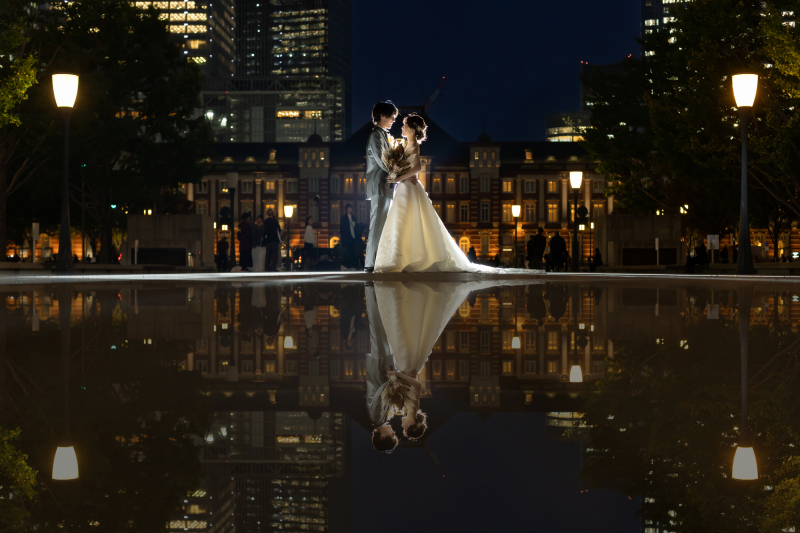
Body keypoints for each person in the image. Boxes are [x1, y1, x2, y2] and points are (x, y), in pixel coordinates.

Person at [373, 114, 524, 274]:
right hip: (404, 187)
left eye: (404, 125)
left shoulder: (414, 145)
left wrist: (397, 177)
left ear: (411, 128)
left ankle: (408, 259)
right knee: (403, 221)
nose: (402, 127)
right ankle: (400, 258)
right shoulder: (405, 144)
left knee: (409, 220)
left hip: (408, 186)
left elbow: (417, 167)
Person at [364, 101, 400, 274]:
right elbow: (383, 161)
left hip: (385, 186)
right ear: (383, 115)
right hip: (380, 185)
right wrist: (400, 175)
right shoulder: (376, 136)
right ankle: (370, 263)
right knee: (377, 224)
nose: (394, 119)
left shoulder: (382, 135)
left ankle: (376, 261)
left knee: (381, 225)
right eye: (392, 115)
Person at [340, 204, 358, 270]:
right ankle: (345, 265)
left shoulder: (354, 217)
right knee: (347, 252)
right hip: (346, 238)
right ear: (346, 209)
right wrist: (342, 239)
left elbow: (355, 228)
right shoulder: (343, 218)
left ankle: (351, 266)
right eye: (349, 208)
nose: (350, 209)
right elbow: (342, 229)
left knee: (352, 251)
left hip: (353, 237)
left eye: (351, 208)